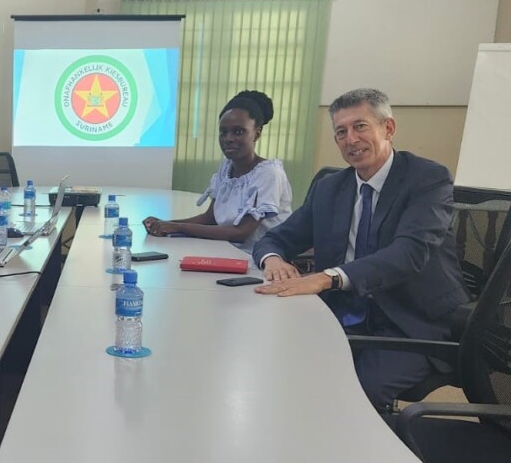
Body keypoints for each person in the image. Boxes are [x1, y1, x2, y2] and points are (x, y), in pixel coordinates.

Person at [252, 88, 466, 412]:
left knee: (355, 393)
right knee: (280, 365)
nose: (351, 139)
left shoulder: (427, 179)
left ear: (388, 128)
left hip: (410, 323)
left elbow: (408, 253)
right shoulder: (329, 188)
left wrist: (328, 277)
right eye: (341, 132)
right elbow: (275, 238)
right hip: (342, 315)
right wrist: (273, 261)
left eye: (360, 126)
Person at [143, 90, 293, 253]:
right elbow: (210, 218)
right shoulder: (227, 167)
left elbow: (241, 233)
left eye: (238, 132)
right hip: (227, 250)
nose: (228, 138)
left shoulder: (269, 173)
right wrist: (165, 224)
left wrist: (179, 227)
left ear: (257, 134)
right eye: (223, 132)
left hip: (260, 259)